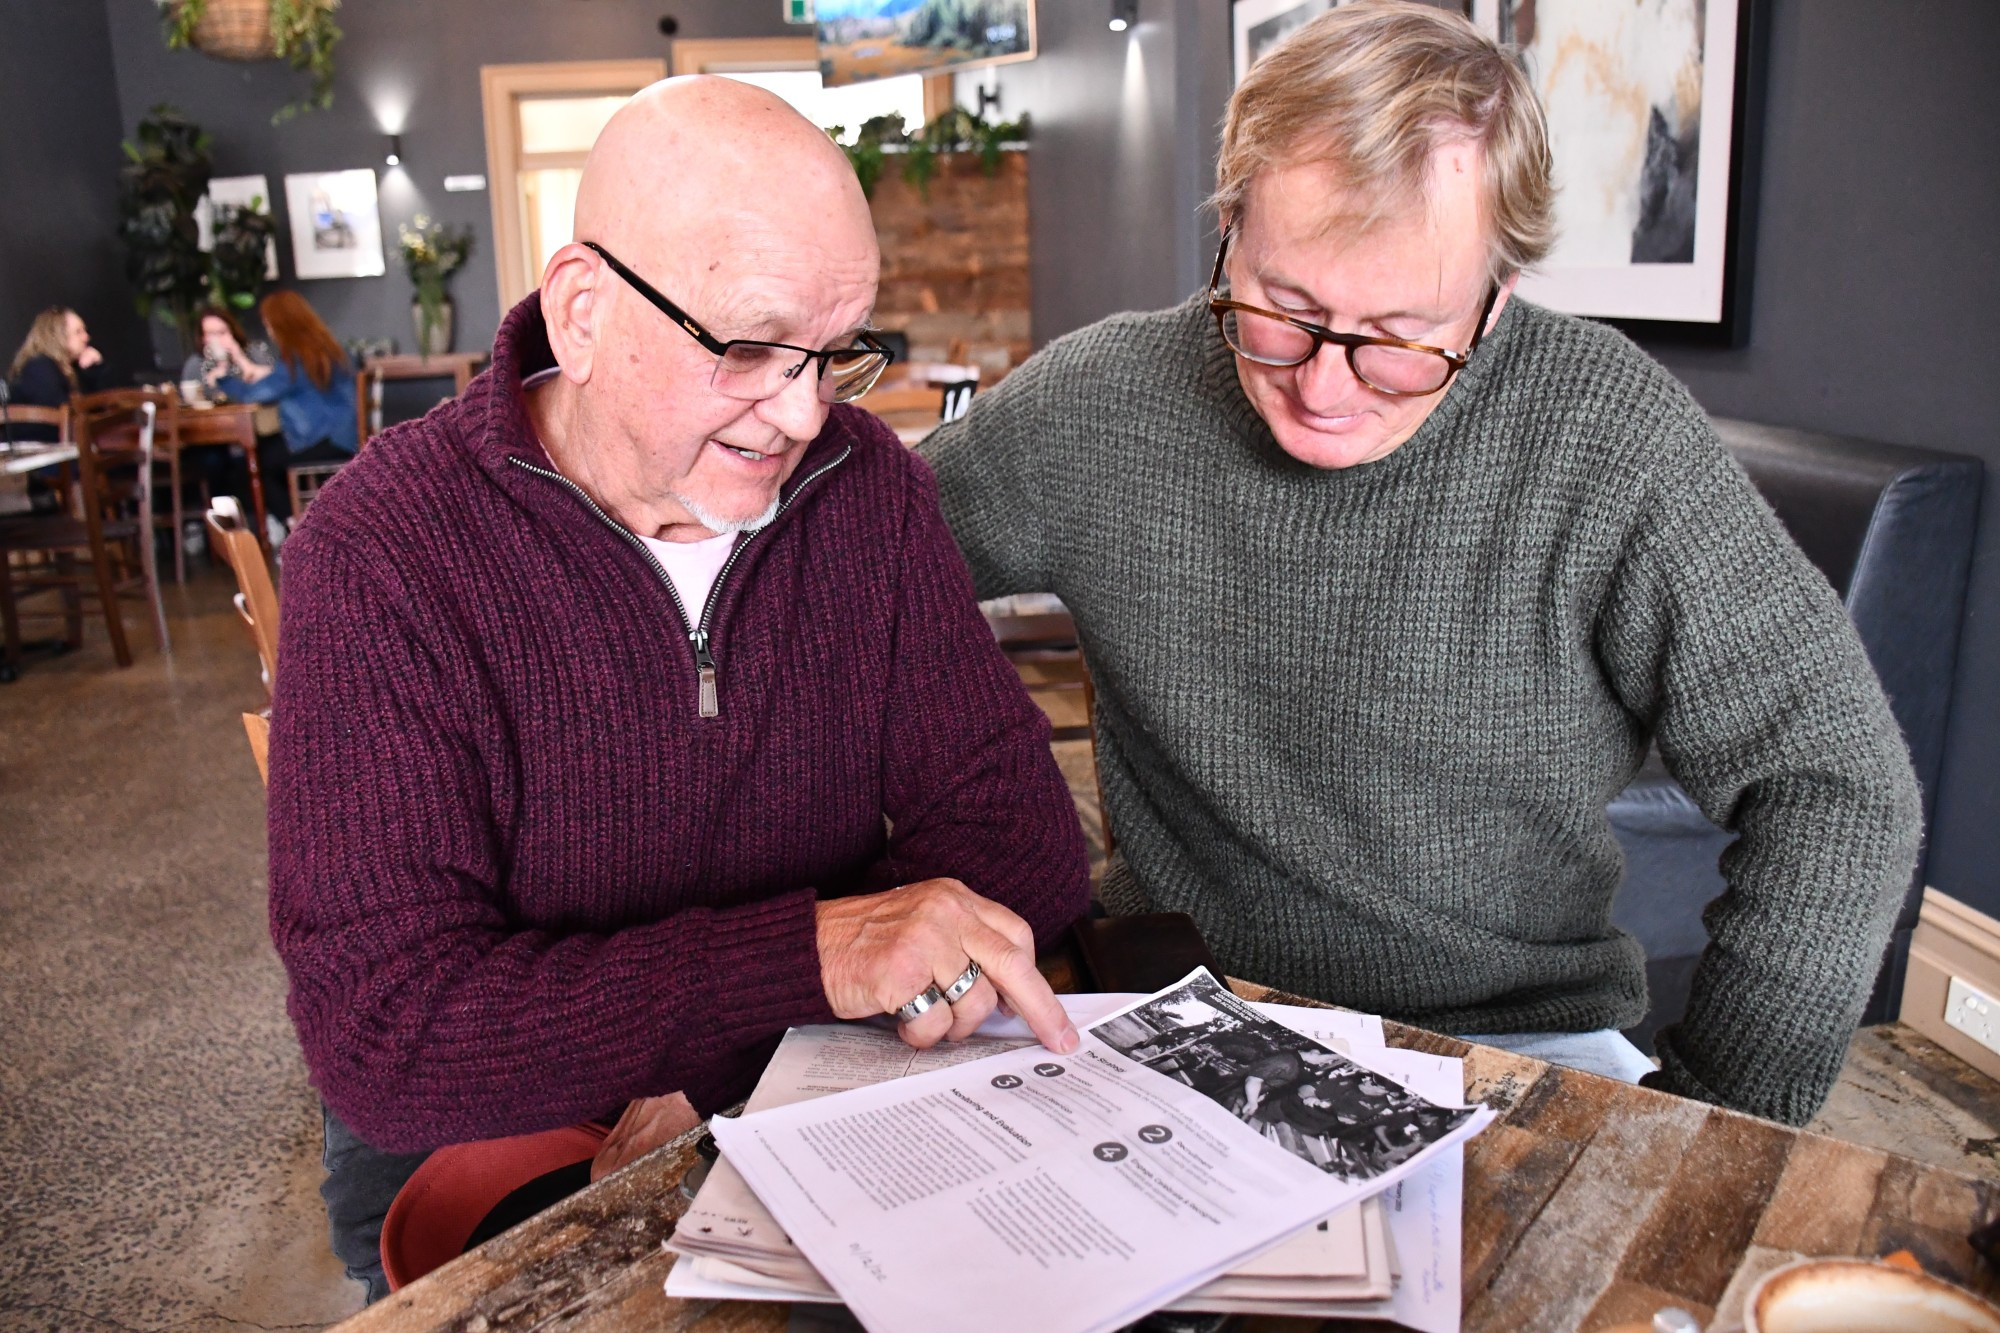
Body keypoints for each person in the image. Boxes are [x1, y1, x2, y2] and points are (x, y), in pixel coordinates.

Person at [921, 0, 1922, 1126]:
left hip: (1509, 1042)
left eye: (1400, 338)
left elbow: (1835, 788)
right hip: (1176, 1011)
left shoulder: (1607, 436)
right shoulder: (1098, 401)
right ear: (1229, 224)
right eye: (1281, 309)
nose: (1324, 388)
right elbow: (831, 573)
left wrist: (1722, 1123)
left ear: (1495, 302)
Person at [267, 76, 1090, 1301]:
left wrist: (721, 1056)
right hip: (501, 1160)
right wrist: (803, 964)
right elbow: (390, 1036)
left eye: (834, 353)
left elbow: (1019, 846)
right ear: (584, 313)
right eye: (752, 349)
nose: (805, 413)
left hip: (808, 1109)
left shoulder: (867, 492)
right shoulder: (382, 550)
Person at [208, 289, 356, 535]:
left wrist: (223, 379)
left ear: (282, 325)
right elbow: (272, 381)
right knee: (267, 454)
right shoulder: (327, 350)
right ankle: (302, 526)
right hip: (344, 437)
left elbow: (253, 394)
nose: (269, 331)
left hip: (322, 441)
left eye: (269, 324)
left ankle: (297, 532)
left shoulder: (298, 360)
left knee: (252, 465)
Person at [6, 307, 108, 443]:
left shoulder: (74, 368)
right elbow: (63, 413)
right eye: (78, 332)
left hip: (71, 445)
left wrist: (96, 369)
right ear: (57, 336)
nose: (86, 337)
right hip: (42, 453)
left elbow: (103, 407)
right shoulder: (39, 367)